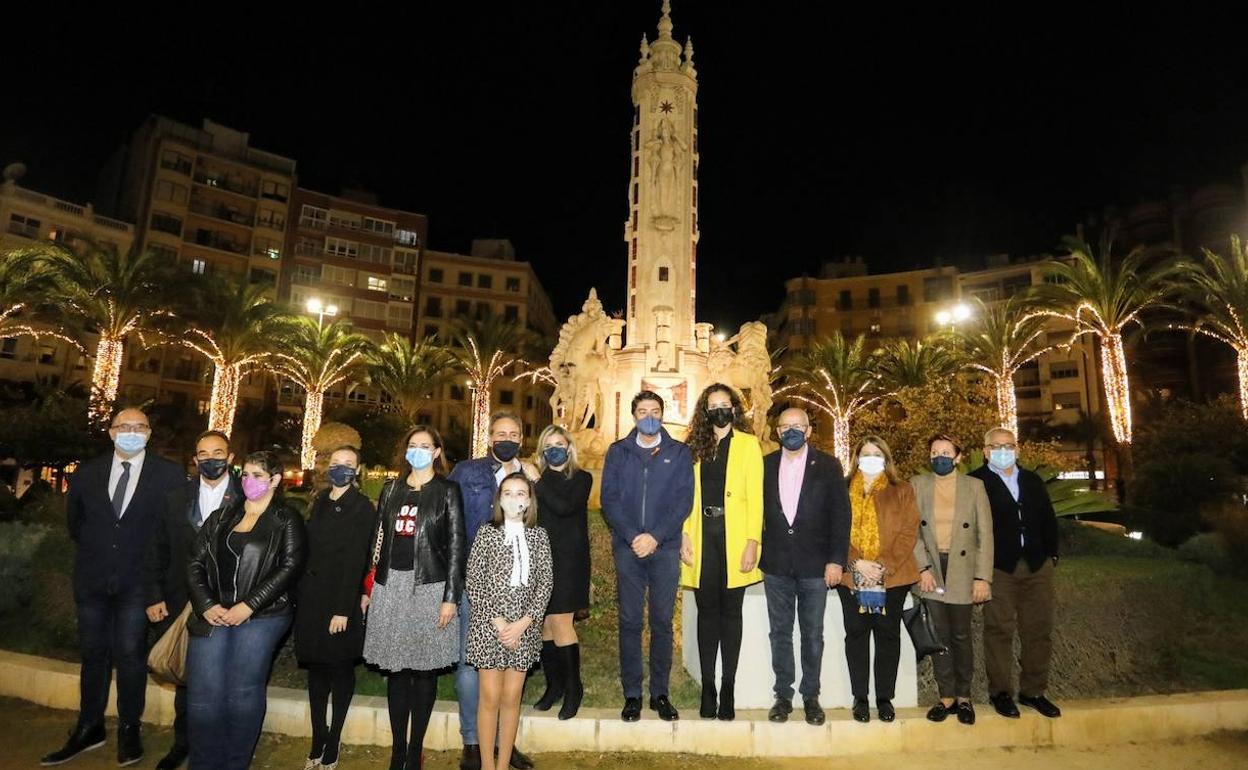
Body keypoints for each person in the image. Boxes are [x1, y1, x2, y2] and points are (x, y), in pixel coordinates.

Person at [42, 408, 185, 767]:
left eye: (139, 427)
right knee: (92, 655)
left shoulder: (169, 475)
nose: (131, 432)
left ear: (149, 434)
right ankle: (88, 726)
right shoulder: (87, 473)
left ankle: (128, 729)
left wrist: (159, 588)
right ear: (111, 432)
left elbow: (171, 533)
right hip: (92, 580)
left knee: (129, 655)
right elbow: (76, 524)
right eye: (124, 427)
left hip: (138, 585)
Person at [185, 450, 307, 770]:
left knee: (242, 691)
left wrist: (249, 605)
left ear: (276, 480)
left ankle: (234, 763)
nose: (248, 481)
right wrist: (206, 604)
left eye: (258, 475)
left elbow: (290, 567)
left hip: (264, 614)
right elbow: (195, 563)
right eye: (246, 474)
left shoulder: (286, 519)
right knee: (202, 696)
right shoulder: (222, 517)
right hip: (214, 612)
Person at [363, 426, 466, 770]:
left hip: (430, 587)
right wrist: (369, 587)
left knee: (423, 671)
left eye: (425, 446)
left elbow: (455, 547)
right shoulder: (391, 489)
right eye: (412, 446)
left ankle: (414, 751)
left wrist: (451, 596)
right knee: (396, 670)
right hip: (391, 585)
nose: (418, 451)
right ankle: (397, 751)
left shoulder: (448, 491)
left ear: (437, 452)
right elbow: (377, 540)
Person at [143, 429, 243, 769]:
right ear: (195, 458)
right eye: (203, 453)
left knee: (225, 677)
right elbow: (156, 548)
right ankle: (182, 743)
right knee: (186, 677)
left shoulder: (247, 497)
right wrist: (154, 594)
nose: (210, 459)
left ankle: (220, 743)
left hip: (228, 604)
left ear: (230, 458)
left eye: (218, 453)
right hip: (177, 599)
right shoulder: (175, 497)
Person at [448, 412, 539, 770]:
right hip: (477, 584)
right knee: (472, 666)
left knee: (513, 669)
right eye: (500, 433)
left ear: (521, 437)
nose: (507, 438)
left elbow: (540, 526)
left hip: (519, 591)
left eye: (513, 433)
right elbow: (451, 520)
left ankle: (504, 744)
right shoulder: (467, 472)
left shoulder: (531, 475)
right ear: (489, 437)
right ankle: (473, 741)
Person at [600, 390, 694, 723]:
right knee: (629, 621)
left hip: (664, 548)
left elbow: (684, 501)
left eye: (655, 410)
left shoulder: (679, 452)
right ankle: (632, 695)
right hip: (628, 549)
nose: (649, 415)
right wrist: (633, 536)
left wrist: (655, 537)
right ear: (634, 415)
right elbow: (609, 499)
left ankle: (660, 693)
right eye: (643, 411)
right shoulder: (618, 452)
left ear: (662, 414)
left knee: (661, 623)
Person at [760, 407, 851, 726]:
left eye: (798, 426)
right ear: (777, 431)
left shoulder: (828, 466)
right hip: (776, 565)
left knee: (813, 634)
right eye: (785, 426)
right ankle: (782, 696)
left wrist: (836, 559)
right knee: (779, 633)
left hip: (816, 566)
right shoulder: (765, 465)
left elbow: (841, 516)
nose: (791, 431)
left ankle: (811, 696)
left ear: (809, 430)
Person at [678, 384, 764, 721]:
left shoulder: (748, 445)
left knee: (732, 614)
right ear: (704, 411)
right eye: (712, 406)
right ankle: (708, 687)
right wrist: (684, 534)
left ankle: (728, 686)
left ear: (734, 408)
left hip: (735, 538)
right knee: (706, 614)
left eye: (724, 404)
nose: (719, 410)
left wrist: (752, 542)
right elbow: (684, 497)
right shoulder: (693, 448)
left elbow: (756, 498)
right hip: (702, 538)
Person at [970, 427, 1062, 720]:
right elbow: (970, 528)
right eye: (996, 446)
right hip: (998, 568)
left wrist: (1052, 554)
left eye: (1008, 445)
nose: (1003, 450)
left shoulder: (1032, 480)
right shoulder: (976, 483)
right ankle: (1001, 693)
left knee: (1039, 630)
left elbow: (1048, 518)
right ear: (986, 451)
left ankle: (1034, 692)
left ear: (1017, 449)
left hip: (1036, 565)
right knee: (999, 631)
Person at [296, 446, 376, 769]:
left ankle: (334, 740)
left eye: (348, 464)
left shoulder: (361, 508)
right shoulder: (320, 502)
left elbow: (356, 560)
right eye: (335, 464)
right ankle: (318, 736)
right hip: (312, 599)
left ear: (358, 470)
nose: (340, 469)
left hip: (340, 600)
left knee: (340, 669)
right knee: (316, 671)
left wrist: (343, 609)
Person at [466, 473, 553, 770]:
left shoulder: (539, 535)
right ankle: (487, 766)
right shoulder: (486, 533)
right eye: (508, 492)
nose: (514, 498)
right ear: (499, 498)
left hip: (524, 628)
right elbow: (475, 581)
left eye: (520, 493)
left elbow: (545, 582)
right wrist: (500, 623)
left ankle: (503, 765)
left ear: (529, 501)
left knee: (512, 696)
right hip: (489, 626)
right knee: (489, 697)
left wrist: (524, 622)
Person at [837, 435, 920, 724]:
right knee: (856, 636)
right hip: (851, 575)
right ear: (857, 457)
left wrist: (881, 566)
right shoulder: (842, 488)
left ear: (886, 458)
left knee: (887, 636)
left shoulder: (902, 490)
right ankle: (860, 698)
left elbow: (909, 532)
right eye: (865, 453)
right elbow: (833, 529)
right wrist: (856, 563)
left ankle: (885, 698)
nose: (871, 458)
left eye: (877, 453)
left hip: (893, 576)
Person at [911, 434, 994, 725]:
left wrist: (982, 577)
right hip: (932, 569)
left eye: (946, 452)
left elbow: (985, 535)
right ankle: (945, 697)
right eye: (934, 452)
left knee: (961, 635)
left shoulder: (974, 487)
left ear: (958, 457)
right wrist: (922, 568)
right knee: (940, 637)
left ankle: (964, 697)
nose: (940, 457)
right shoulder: (918, 485)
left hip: (962, 568)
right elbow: (912, 532)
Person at [530, 425, 592, 720]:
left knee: (561, 622)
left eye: (559, 443)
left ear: (569, 446)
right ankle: (553, 686)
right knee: (543, 626)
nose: (554, 448)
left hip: (569, 560)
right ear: (542, 450)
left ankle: (573, 688)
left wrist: (538, 482)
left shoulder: (582, 478)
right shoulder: (536, 481)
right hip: (540, 558)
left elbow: (565, 507)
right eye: (548, 444)